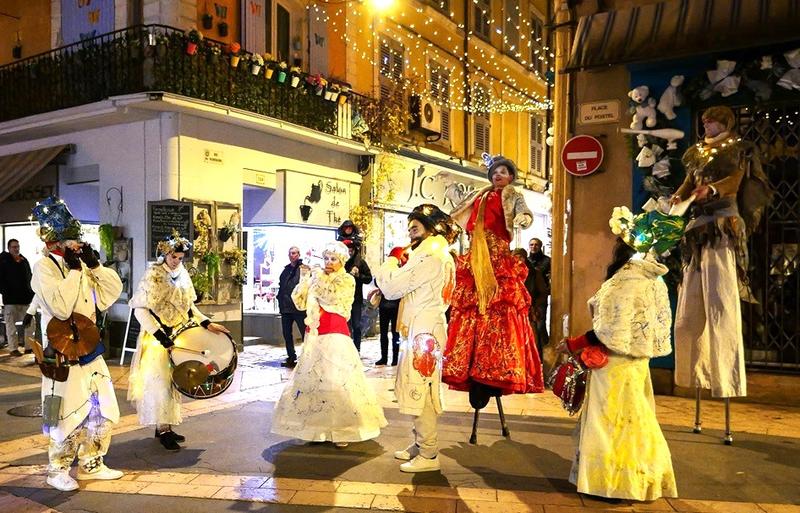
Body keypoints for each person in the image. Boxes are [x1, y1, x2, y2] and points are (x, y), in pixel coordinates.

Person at [558, 208, 681, 502]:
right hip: (637, 365)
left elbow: (610, 331)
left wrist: (574, 343)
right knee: (638, 420)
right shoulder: (654, 279)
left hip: (614, 364)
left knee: (609, 424)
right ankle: (642, 480)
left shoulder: (628, 280)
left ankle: (611, 483)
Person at [671, 106, 771, 401]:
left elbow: (736, 180)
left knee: (721, 303)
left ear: (724, 122)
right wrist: (680, 194)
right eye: (704, 121)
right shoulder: (698, 152)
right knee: (689, 311)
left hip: (721, 225)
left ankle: (727, 380)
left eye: (711, 121)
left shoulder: (737, 150)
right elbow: (690, 181)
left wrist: (712, 190)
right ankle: (694, 376)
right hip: (697, 228)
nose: (706, 125)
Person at [29, 196, 124, 492]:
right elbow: (60, 307)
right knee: (63, 413)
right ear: (54, 239)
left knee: (101, 407)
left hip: (90, 350)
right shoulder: (43, 268)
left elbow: (110, 295)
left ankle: (92, 462)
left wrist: (94, 266)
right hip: (63, 354)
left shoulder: (80, 265)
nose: (75, 244)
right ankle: (57, 469)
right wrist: (72, 271)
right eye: (69, 239)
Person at [443, 153, 544, 405]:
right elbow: (460, 208)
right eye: (495, 172)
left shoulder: (512, 195)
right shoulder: (480, 194)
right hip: (476, 253)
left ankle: (496, 365)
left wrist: (524, 219)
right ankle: (470, 362)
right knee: (471, 307)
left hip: (497, 254)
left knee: (499, 305)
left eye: (503, 172)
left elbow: (524, 212)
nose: (498, 175)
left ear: (511, 177)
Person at [271, 242, 386, 447]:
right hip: (314, 333)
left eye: (333, 259)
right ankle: (316, 429)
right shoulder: (316, 277)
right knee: (314, 380)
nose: (329, 263)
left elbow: (332, 299)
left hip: (335, 332)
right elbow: (299, 301)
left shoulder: (347, 280)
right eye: (326, 259)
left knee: (336, 380)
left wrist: (318, 278)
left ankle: (342, 429)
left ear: (341, 261)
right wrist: (305, 280)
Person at [127, 232, 230, 452]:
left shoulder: (182, 274)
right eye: (174, 257)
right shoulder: (153, 275)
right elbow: (140, 309)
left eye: (180, 258)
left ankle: (166, 425)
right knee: (160, 383)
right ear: (165, 255)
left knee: (177, 380)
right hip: (159, 339)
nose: (177, 261)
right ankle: (163, 429)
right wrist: (159, 335)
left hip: (180, 337)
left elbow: (190, 308)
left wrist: (206, 324)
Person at [375, 204, 458, 473]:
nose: (410, 231)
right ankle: (421, 444)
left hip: (425, 330)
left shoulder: (430, 256)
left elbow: (391, 286)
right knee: (420, 385)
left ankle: (429, 453)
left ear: (432, 227)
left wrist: (390, 260)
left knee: (421, 388)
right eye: (410, 225)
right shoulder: (433, 253)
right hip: (424, 326)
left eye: (416, 226)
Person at [0, 239, 35, 355]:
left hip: (25, 299)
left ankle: (29, 347)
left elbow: (29, 277)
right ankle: (13, 349)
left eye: (17, 246)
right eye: (14, 247)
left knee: (29, 324)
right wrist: (5, 291)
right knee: (11, 326)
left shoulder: (24, 261)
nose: (16, 249)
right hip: (10, 299)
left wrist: (31, 292)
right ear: (9, 248)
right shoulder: (3, 260)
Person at [277, 246, 306, 368]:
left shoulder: (303, 269)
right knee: (287, 334)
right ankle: (291, 356)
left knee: (305, 333)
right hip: (286, 307)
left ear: (298, 254)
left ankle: (307, 357)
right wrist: (279, 298)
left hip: (298, 308)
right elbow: (282, 285)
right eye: (290, 253)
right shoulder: (286, 270)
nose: (291, 255)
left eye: (294, 253)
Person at [343, 237, 372, 353]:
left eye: (351, 249)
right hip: (342, 299)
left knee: (356, 325)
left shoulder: (360, 262)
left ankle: (356, 349)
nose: (349, 252)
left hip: (356, 298)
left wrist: (359, 275)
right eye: (347, 250)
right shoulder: (340, 262)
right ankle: (345, 349)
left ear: (354, 250)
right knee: (344, 325)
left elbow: (369, 278)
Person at [527, 237, 551, 354]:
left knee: (541, 326)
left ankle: (546, 352)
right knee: (532, 327)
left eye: (536, 245)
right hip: (528, 298)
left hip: (540, 297)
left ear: (540, 246)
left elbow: (542, 272)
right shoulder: (527, 261)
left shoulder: (547, 261)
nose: (533, 247)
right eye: (531, 245)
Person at [368, 286, 400, 366]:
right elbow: (377, 281)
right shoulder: (383, 275)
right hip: (383, 306)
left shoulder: (398, 275)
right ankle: (384, 358)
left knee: (395, 333)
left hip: (396, 307)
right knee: (383, 334)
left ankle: (395, 358)